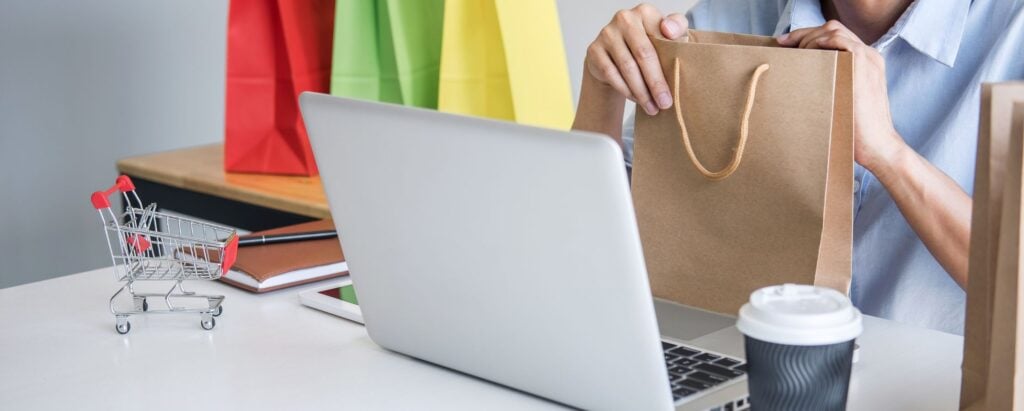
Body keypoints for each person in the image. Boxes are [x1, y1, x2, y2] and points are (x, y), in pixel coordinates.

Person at [573, 0, 1024, 334]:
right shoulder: (730, 15)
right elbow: (583, 249)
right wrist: (602, 91)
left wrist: (888, 153)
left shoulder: (1014, 35)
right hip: (744, 369)